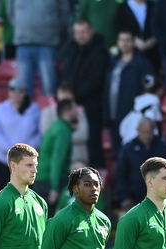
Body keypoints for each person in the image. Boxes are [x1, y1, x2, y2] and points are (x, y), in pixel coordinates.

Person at [58, 19, 108, 168]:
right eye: (78, 33)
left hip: (91, 107)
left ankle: (98, 182)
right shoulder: (70, 49)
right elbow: (64, 73)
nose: (81, 36)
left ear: (91, 32)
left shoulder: (99, 51)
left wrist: (74, 95)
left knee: (92, 146)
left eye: (84, 32)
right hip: (70, 105)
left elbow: (95, 79)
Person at [105, 30, 155, 153]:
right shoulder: (113, 62)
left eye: (127, 40)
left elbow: (149, 85)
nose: (124, 43)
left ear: (133, 42)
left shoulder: (141, 63)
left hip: (132, 116)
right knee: (117, 152)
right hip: (113, 116)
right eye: (121, 40)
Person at [0, 78, 41, 188]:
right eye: (13, 89)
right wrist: (8, 148)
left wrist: (28, 148)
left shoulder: (34, 109)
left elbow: (40, 133)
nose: (16, 93)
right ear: (8, 91)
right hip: (3, 160)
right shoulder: (0, 109)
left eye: (20, 90)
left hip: (26, 160)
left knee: (25, 194)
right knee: (5, 193)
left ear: (26, 92)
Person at [6, 0, 69, 95]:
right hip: (23, 44)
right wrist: (21, 27)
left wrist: (53, 29)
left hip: (47, 44)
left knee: (49, 86)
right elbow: (10, 11)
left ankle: (49, 109)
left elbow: (65, 11)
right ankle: (27, 110)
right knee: (23, 89)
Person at [116, 118, 166, 212]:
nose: (147, 136)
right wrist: (125, 197)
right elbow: (121, 175)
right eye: (144, 132)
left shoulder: (164, 148)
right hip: (134, 198)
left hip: (159, 197)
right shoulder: (128, 149)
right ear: (137, 130)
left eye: (149, 132)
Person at [36, 99, 77, 212]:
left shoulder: (56, 127)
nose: (77, 112)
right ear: (68, 112)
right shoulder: (63, 131)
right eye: (74, 109)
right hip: (49, 181)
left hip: (43, 178)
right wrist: (54, 187)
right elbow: (57, 160)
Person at [116, 0, 159, 70]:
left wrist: (153, 40)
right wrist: (134, 40)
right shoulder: (122, 8)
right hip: (131, 56)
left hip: (152, 55)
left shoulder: (153, 7)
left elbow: (159, 26)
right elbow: (119, 27)